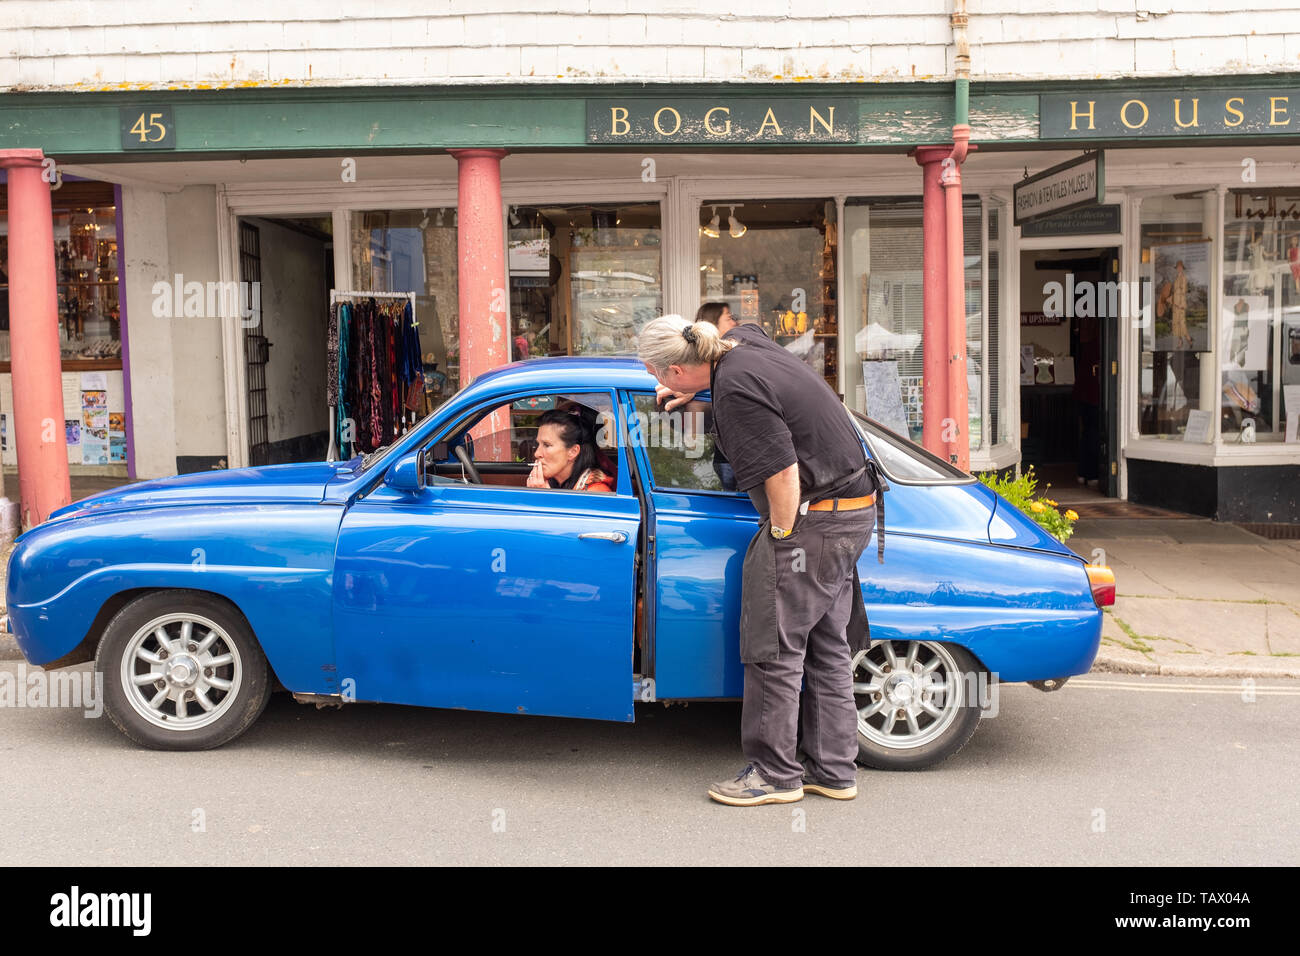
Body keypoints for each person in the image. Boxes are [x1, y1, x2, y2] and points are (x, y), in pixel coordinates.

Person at [638, 315, 882, 807]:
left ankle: (774, 774)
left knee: (772, 648)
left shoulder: (736, 394)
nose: (657, 383)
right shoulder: (742, 346)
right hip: (854, 513)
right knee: (827, 646)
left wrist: (782, 537)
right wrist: (698, 397)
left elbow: (784, 474)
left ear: (676, 372)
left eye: (657, 375)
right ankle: (834, 771)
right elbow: (741, 329)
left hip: (811, 521)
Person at [526, 409, 614, 492]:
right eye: (538, 444)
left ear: (573, 452)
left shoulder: (596, 493)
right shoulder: (552, 484)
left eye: (547, 445)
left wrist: (543, 498)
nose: (537, 453)